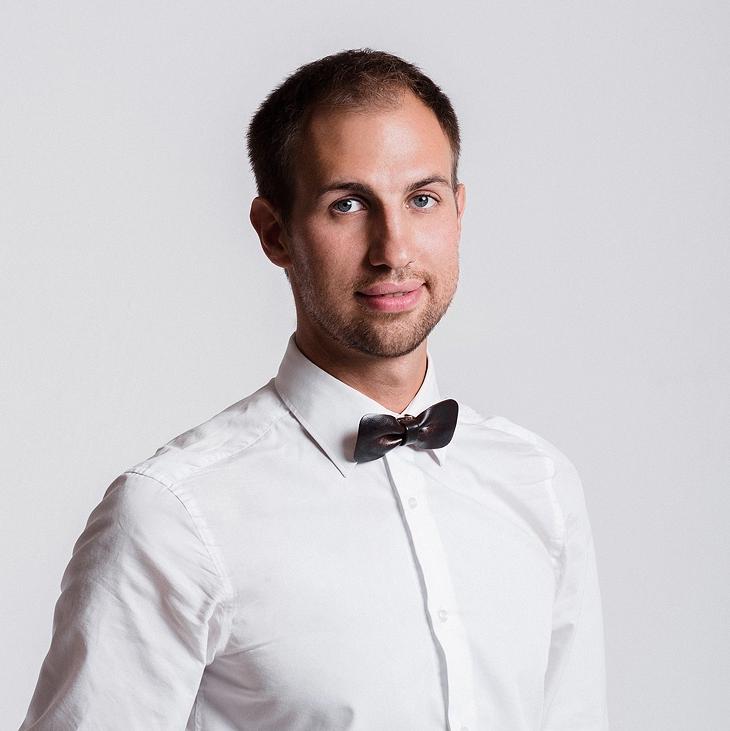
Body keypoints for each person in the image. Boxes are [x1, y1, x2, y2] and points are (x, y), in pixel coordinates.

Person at [20, 49, 608, 730]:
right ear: (275, 232)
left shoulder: (539, 482)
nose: (393, 250)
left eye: (422, 198)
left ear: (458, 209)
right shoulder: (173, 516)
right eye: (347, 205)